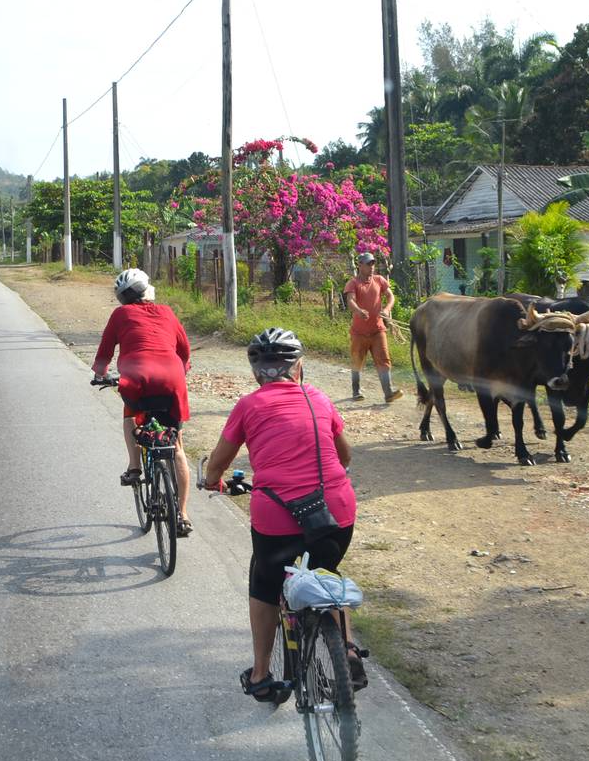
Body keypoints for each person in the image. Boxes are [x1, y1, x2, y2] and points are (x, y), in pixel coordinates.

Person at [203, 328, 366, 701]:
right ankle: (348, 649)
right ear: (299, 367)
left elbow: (217, 465)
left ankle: (261, 674)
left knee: (265, 581)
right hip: (334, 510)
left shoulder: (248, 406)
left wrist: (214, 482)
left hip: (277, 515)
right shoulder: (320, 399)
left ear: (257, 372)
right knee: (326, 569)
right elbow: (344, 456)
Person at [92, 268, 195, 535]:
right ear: (147, 290)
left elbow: (105, 350)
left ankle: (135, 467)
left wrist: (100, 375)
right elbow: (184, 351)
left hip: (137, 378)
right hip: (172, 380)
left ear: (122, 298)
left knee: (130, 418)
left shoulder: (120, 314)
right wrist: (181, 370)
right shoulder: (168, 312)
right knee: (178, 446)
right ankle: (183, 515)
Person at [344, 252, 402, 403]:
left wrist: (388, 309)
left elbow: (391, 296)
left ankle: (388, 393)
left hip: (378, 330)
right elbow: (350, 301)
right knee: (357, 361)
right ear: (360, 265)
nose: (371, 267)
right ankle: (356, 391)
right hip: (359, 332)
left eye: (373, 264)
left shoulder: (379, 280)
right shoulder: (353, 283)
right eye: (368, 264)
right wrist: (358, 311)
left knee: (384, 360)